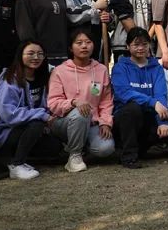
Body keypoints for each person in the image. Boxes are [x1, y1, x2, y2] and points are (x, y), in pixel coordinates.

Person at [0, 40, 63, 179]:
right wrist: (41, 115)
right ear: (20, 55)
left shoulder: (43, 77)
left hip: (29, 129)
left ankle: (18, 159)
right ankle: (16, 164)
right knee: (37, 123)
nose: (36, 57)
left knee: (54, 147)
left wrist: (47, 116)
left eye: (40, 54)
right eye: (30, 53)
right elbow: (8, 114)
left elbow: (46, 105)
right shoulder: (9, 80)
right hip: (5, 132)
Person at [47, 27, 116, 172]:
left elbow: (106, 101)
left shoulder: (101, 69)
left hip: (92, 123)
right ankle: (75, 155)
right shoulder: (60, 71)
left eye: (88, 42)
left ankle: (80, 145)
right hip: (64, 121)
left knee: (105, 148)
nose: (84, 46)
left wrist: (105, 122)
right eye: (79, 43)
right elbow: (53, 103)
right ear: (71, 48)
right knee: (81, 113)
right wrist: (73, 103)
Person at [111, 27, 168, 168]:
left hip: (147, 115)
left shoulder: (156, 68)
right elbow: (123, 93)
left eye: (144, 44)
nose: (140, 48)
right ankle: (128, 156)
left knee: (166, 129)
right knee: (133, 109)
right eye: (136, 44)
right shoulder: (120, 67)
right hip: (124, 117)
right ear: (127, 46)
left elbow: (161, 95)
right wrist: (152, 102)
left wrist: (163, 122)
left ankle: (141, 150)